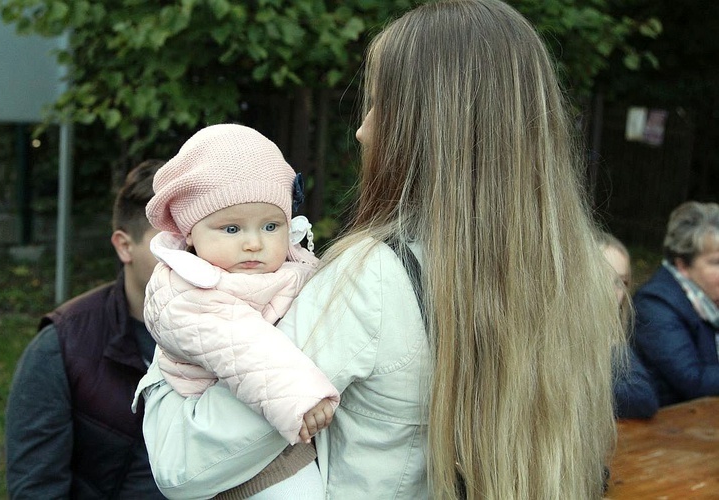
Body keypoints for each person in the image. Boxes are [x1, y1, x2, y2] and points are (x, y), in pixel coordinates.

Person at [136, 1, 625, 498]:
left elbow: (185, 466)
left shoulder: (370, 277)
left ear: (423, 127)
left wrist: (176, 326)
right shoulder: (577, 268)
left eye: (379, 105)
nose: (362, 129)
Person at [137, 123, 339, 498]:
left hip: (279, 435)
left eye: (270, 225)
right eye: (231, 229)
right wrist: (301, 396)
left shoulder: (288, 268)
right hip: (237, 456)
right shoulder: (185, 289)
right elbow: (242, 345)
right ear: (191, 233)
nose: (253, 243)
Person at [5, 159, 167, 498]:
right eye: (169, 243)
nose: (189, 256)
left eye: (194, 239)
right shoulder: (62, 347)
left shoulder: (248, 332)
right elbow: (37, 489)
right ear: (125, 246)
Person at [633, 201, 719, 406]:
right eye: (716, 262)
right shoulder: (654, 305)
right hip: (662, 430)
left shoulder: (710, 297)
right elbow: (693, 381)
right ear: (682, 265)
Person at [596, 231, 659, 419]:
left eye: (620, 282)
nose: (611, 292)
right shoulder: (544, 336)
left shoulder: (611, 333)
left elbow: (643, 398)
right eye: (600, 278)